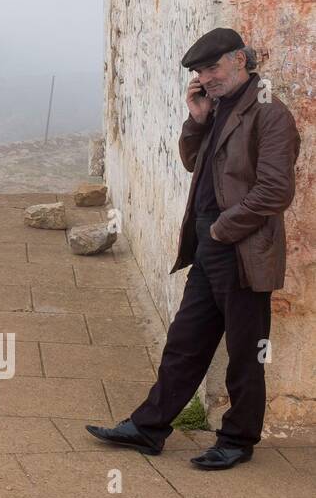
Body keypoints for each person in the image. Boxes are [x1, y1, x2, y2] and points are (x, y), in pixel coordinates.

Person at [86, 28, 300, 470]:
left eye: (213, 67)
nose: (207, 77)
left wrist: (223, 228)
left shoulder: (269, 114)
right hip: (209, 246)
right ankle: (148, 428)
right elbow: (192, 163)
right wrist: (197, 118)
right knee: (185, 342)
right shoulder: (218, 107)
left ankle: (238, 440)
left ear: (241, 60)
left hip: (241, 249)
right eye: (201, 71)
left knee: (246, 350)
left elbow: (275, 190)